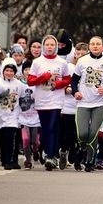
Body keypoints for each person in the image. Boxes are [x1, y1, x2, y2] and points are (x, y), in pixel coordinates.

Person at [71, 36, 103, 172]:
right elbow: (74, 80)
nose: (95, 46)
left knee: (93, 133)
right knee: (83, 133)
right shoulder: (82, 61)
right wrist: (75, 92)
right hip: (83, 102)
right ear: (89, 46)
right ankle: (81, 149)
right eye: (93, 44)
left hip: (100, 103)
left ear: (102, 47)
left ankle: (90, 161)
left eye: (98, 44)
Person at [27, 35, 71, 170]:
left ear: (56, 46)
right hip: (42, 100)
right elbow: (30, 81)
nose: (50, 47)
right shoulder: (37, 62)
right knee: (45, 129)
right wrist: (43, 77)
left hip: (56, 100)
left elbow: (67, 79)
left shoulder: (61, 62)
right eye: (47, 45)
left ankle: (51, 156)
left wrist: (58, 84)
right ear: (43, 46)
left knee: (53, 127)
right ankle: (48, 152)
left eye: (52, 45)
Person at [0, 58, 26, 169]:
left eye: (12, 71)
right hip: (0, 116)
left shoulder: (19, 84)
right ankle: (5, 159)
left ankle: (10, 161)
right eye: (7, 70)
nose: (9, 73)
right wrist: (1, 95)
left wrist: (26, 105)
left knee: (10, 138)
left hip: (13, 116)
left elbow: (23, 98)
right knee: (2, 140)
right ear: (3, 70)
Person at [59, 42, 88, 170]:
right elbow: (63, 83)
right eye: (78, 53)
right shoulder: (69, 67)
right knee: (69, 134)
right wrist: (68, 88)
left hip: (84, 105)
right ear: (75, 54)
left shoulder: (89, 67)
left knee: (81, 134)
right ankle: (65, 151)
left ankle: (78, 158)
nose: (80, 56)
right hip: (68, 106)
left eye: (83, 54)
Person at [18, 61, 40, 169]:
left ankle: (35, 151)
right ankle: (28, 160)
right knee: (26, 139)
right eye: (26, 69)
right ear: (23, 72)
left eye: (30, 69)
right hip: (23, 117)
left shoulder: (38, 84)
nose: (28, 72)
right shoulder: (19, 84)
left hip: (36, 117)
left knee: (35, 141)